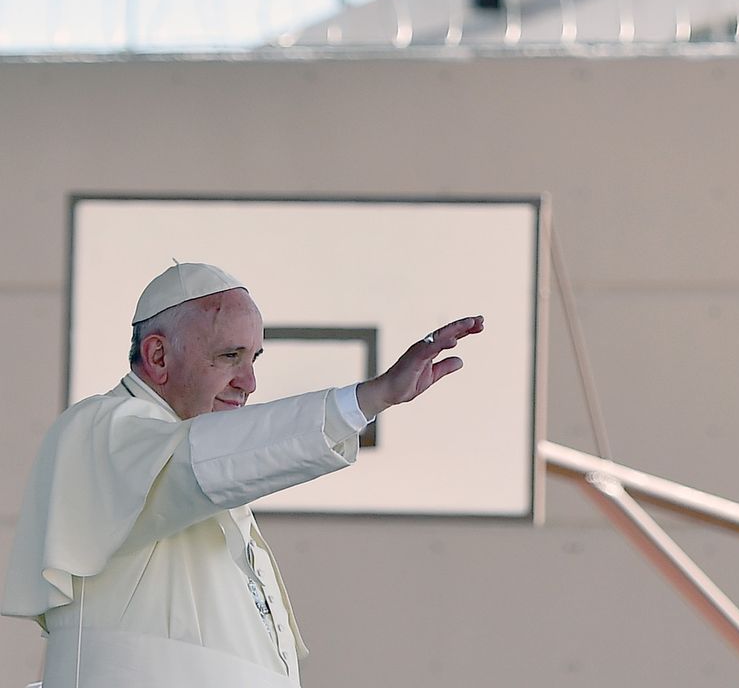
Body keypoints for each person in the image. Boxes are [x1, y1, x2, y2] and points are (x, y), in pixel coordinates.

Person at [1, 262, 482, 688]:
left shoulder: (191, 459)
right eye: (230, 356)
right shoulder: (100, 430)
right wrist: (363, 401)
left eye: (254, 360)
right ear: (159, 356)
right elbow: (197, 464)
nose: (249, 382)